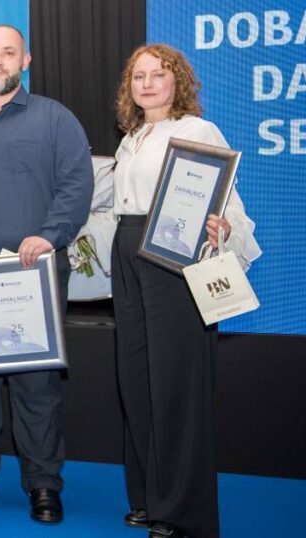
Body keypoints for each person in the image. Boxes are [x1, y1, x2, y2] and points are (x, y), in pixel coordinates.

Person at [0, 24, 93, 524]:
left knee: (36, 384)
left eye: (8, 53)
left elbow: (76, 185)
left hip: (31, 272)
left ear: (25, 61)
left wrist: (49, 235)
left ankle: (43, 482)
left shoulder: (55, 119)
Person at [112, 44, 260, 538]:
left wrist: (223, 228)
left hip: (173, 258)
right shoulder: (132, 136)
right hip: (128, 253)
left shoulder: (197, 131)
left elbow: (227, 200)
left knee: (175, 383)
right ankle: (147, 496)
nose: (147, 83)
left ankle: (179, 511)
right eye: (139, 76)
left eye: (158, 74)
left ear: (178, 81)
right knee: (136, 380)